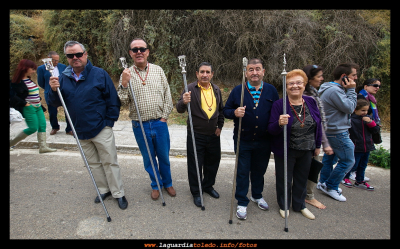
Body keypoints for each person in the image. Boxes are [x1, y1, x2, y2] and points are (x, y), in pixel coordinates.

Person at [48, 41, 127, 209]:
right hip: (79, 130)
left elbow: (112, 100)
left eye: (78, 54)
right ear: (67, 58)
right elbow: (55, 103)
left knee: (110, 162)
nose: (75, 58)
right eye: (71, 56)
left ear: (85, 54)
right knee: (92, 163)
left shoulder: (99, 74)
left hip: (101, 128)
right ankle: (103, 189)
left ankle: (118, 193)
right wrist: (53, 90)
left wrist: (109, 122)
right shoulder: (62, 77)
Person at [118, 38, 175, 201]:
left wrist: (164, 117)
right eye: (134, 50)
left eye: (142, 49)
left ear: (147, 51)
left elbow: (167, 95)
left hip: (159, 123)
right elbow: (122, 102)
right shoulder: (126, 73)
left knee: (164, 156)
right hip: (139, 125)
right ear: (130, 53)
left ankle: (168, 183)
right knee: (149, 158)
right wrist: (123, 84)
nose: (138, 52)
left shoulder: (158, 70)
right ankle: (156, 185)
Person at [223, 58, 279, 220]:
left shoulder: (271, 90)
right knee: (242, 171)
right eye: (251, 69)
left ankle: (257, 195)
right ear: (246, 72)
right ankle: (242, 201)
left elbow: (275, 113)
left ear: (263, 71)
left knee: (259, 170)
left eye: (258, 69)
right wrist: (234, 113)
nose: (254, 72)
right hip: (243, 139)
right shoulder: (238, 90)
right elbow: (226, 110)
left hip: (264, 140)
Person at [268, 69, 322, 220]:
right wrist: (279, 123)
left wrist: (318, 145)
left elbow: (318, 124)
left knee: (302, 178)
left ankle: (300, 205)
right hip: (286, 149)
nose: (295, 86)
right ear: (286, 87)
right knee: (284, 179)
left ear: (304, 85)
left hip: (307, 149)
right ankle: (284, 205)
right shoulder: (280, 105)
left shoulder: (311, 102)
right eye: (291, 83)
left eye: (299, 83)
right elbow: (270, 129)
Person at [176, 62, 224, 207]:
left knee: (213, 163)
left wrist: (220, 126)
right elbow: (179, 109)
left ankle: (207, 186)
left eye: (207, 72)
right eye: (202, 72)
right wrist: (184, 102)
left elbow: (221, 110)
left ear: (212, 74)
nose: (205, 75)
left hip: (213, 135)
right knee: (195, 165)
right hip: (196, 135)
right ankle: (196, 192)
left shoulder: (216, 89)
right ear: (197, 74)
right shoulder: (190, 88)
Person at [317, 63, 358, 202]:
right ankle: (331, 186)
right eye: (353, 75)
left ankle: (323, 182)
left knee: (330, 158)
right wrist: (352, 90)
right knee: (348, 160)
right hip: (337, 131)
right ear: (344, 77)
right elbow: (350, 108)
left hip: (332, 129)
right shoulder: (335, 91)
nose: (356, 78)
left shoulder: (332, 88)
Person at [302, 65, 334, 210]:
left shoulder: (314, 92)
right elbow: (317, 122)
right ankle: (308, 196)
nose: (322, 79)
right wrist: (324, 143)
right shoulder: (308, 96)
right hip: (308, 139)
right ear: (309, 78)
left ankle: (305, 194)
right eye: (319, 76)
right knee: (312, 168)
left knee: (311, 167)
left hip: (314, 138)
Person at [10, 59, 57, 153]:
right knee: (32, 128)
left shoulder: (29, 80)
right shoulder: (16, 82)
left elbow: (33, 92)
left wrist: (38, 99)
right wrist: (26, 104)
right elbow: (13, 97)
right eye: (32, 69)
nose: (34, 71)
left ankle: (43, 147)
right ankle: (11, 143)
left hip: (38, 107)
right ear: (25, 68)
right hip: (28, 108)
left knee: (42, 126)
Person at [346, 78, 382, 182]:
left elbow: (374, 129)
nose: (377, 88)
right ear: (366, 86)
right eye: (375, 85)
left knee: (363, 162)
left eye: (379, 86)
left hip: (367, 141)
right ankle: (349, 175)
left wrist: (372, 122)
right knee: (355, 161)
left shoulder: (371, 99)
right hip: (357, 142)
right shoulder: (361, 97)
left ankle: (359, 178)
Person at [341, 98, 379, 190]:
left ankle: (360, 180)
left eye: (366, 110)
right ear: (355, 110)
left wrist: (371, 123)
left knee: (363, 165)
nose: (365, 112)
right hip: (356, 146)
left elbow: (375, 131)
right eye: (362, 110)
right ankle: (345, 177)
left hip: (367, 146)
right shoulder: (352, 120)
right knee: (353, 164)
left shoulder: (369, 119)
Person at [37, 51, 71, 135]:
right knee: (52, 111)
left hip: (64, 91)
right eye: (54, 60)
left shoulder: (63, 67)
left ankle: (69, 129)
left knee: (68, 110)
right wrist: (50, 88)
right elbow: (41, 82)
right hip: (50, 92)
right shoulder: (41, 68)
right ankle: (55, 127)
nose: (56, 62)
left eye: (57, 60)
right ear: (49, 59)